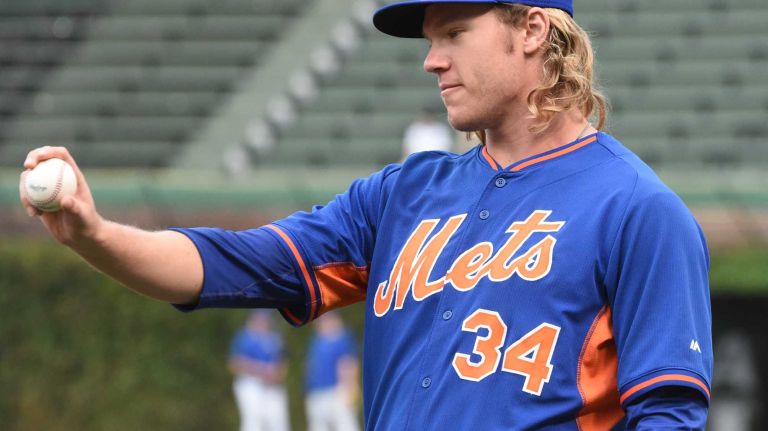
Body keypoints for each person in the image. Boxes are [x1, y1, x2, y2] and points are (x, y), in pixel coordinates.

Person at [20, 1, 713, 429]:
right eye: (429, 40)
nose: (432, 60)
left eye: (455, 33)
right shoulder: (400, 195)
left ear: (531, 30)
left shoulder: (638, 211)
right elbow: (230, 263)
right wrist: (95, 233)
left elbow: (671, 414)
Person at [228, 310, 291, 431]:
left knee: (278, 421)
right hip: (250, 382)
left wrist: (277, 374)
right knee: (254, 420)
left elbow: (282, 362)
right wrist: (260, 370)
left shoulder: (275, 337)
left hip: (273, 385)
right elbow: (235, 363)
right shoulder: (244, 337)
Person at [304, 311, 360, 431]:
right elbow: (310, 366)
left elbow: (348, 363)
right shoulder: (315, 341)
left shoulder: (342, 338)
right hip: (317, 392)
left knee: (346, 425)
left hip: (337, 391)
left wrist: (351, 387)